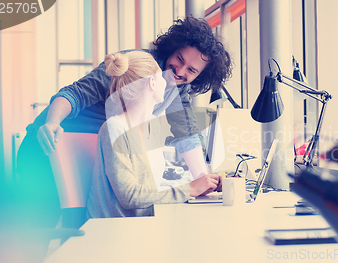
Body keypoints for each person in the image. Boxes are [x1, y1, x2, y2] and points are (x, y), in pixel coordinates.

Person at [16, 16, 232, 229]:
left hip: (84, 152)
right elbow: (76, 93)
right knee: (37, 231)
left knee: (73, 224)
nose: (180, 71)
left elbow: (186, 133)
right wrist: (53, 122)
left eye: (191, 70)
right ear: (172, 48)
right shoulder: (136, 68)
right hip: (47, 143)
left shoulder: (177, 86)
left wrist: (204, 180)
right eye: (179, 59)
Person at [87, 51, 216, 218]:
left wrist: (201, 185)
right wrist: (189, 189)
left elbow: (152, 184)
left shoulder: (154, 126)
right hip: (114, 228)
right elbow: (130, 196)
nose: (168, 80)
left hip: (143, 222)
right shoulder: (114, 128)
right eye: (161, 76)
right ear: (153, 83)